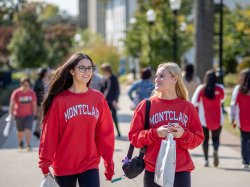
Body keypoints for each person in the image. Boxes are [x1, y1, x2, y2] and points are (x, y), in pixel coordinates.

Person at [38, 53, 115, 187]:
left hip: (89, 163)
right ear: (72, 71)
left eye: (90, 68)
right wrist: (45, 164)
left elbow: (105, 134)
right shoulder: (60, 101)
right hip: (64, 165)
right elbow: (49, 134)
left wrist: (109, 163)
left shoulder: (98, 99)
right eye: (82, 68)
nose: (87, 72)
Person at [128, 62, 204, 187]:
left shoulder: (188, 107)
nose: (157, 79)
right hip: (153, 170)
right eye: (156, 76)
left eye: (162, 76)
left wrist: (183, 134)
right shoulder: (146, 105)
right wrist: (155, 133)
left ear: (175, 79)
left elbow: (198, 138)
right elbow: (134, 138)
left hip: (181, 170)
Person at [192, 70, 225, 167]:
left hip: (203, 120)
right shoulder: (220, 88)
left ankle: (206, 160)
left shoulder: (201, 89)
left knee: (205, 139)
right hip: (218, 119)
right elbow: (222, 100)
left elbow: (194, 103)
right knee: (216, 138)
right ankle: (215, 150)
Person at [9, 77, 37, 151]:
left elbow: (34, 104)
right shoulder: (16, 92)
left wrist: (34, 114)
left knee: (28, 129)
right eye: (24, 85)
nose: (26, 87)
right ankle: (20, 142)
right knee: (20, 131)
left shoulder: (31, 93)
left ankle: (28, 144)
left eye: (27, 85)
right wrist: (10, 114)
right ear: (21, 85)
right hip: (18, 115)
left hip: (29, 115)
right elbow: (12, 104)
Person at [230, 68, 250, 169]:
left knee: (244, 139)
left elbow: (233, 104)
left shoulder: (239, 89)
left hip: (243, 119)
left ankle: (245, 161)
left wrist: (232, 117)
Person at [100, 63, 121, 137]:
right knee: (105, 118)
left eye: (104, 70)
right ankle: (108, 133)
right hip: (106, 101)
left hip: (112, 101)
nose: (103, 72)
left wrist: (115, 100)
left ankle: (118, 132)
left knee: (114, 117)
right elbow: (103, 90)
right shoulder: (105, 79)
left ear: (108, 70)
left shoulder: (113, 78)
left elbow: (117, 90)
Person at [33, 67, 51, 139]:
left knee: (47, 118)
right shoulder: (38, 81)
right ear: (45, 72)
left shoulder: (51, 80)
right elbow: (35, 92)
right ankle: (38, 131)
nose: (50, 72)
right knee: (40, 118)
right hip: (40, 103)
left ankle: (41, 131)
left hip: (49, 103)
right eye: (48, 71)